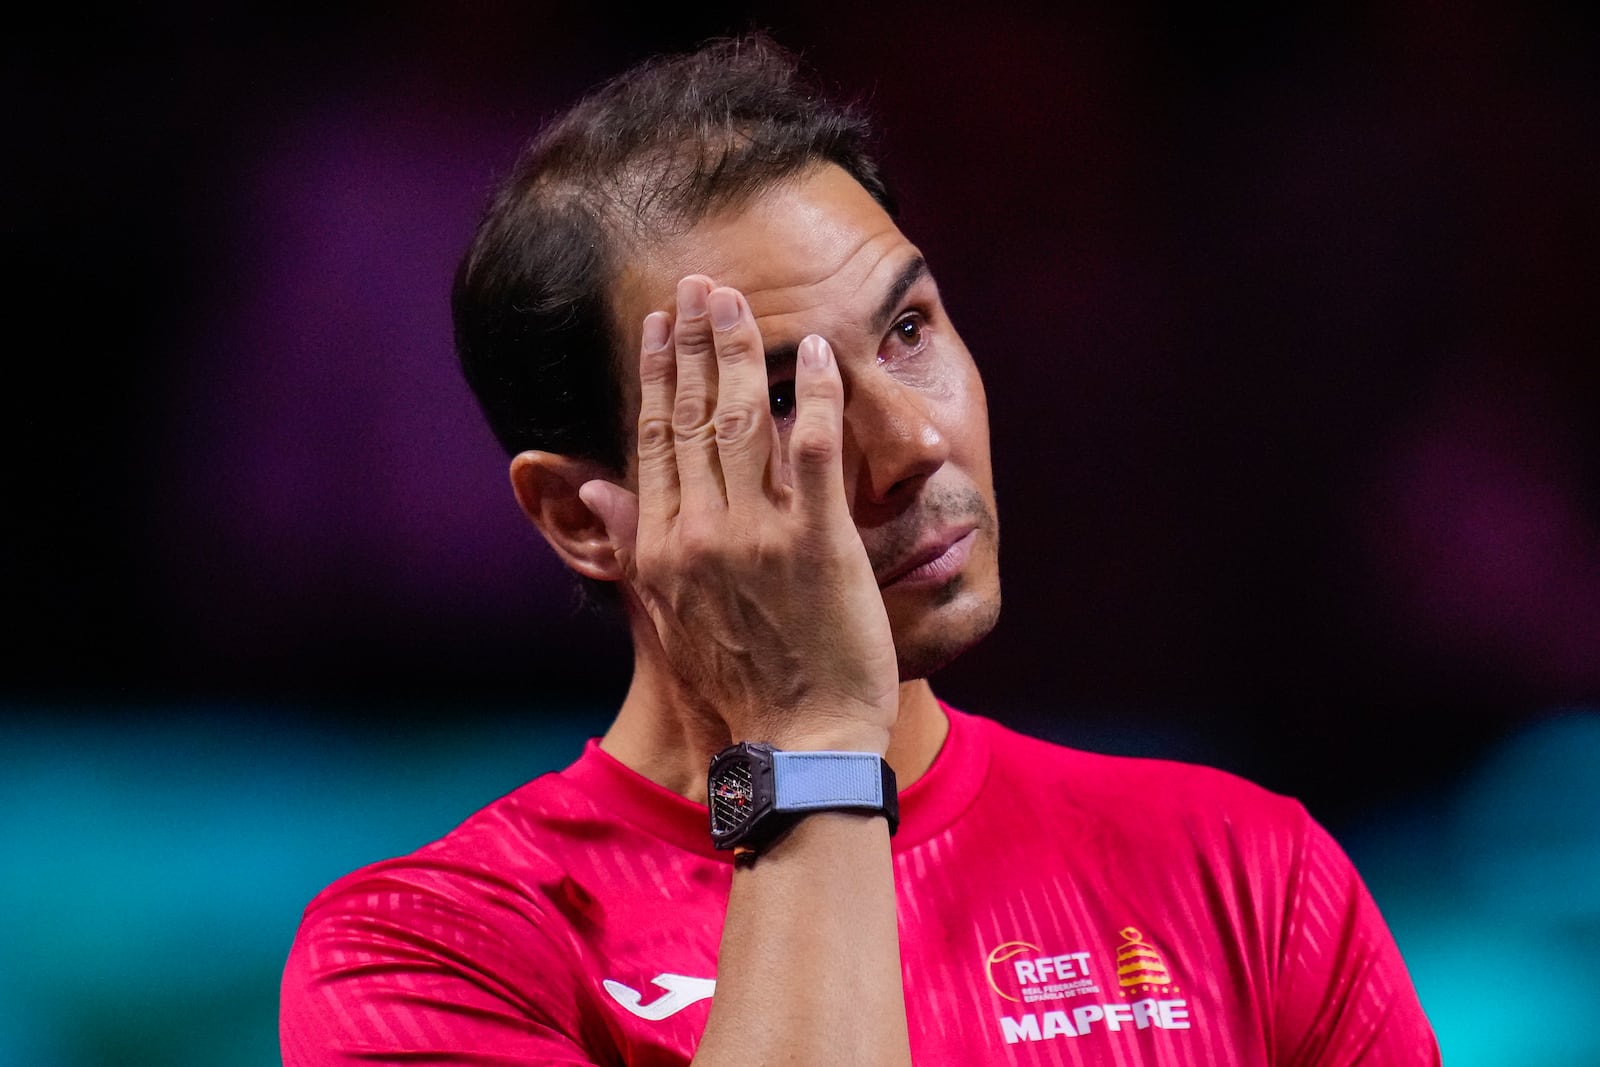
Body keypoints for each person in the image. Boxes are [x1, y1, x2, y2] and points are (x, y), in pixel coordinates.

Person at [280, 32, 1440, 1065]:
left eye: (907, 329)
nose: (916, 441)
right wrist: (812, 742)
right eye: (782, 397)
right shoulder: (430, 959)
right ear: (584, 516)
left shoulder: (1244, 877)